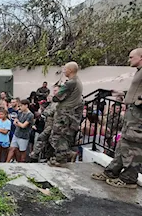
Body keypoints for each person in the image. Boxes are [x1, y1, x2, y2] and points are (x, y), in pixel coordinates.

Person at [91, 48, 142, 188]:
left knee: (132, 147)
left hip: (138, 116)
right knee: (123, 144)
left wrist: (138, 101)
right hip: (132, 114)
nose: (129, 59)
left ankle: (129, 179)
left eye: (132, 57)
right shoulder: (139, 71)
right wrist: (120, 93)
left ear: (140, 57)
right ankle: (112, 171)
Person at [48, 62, 84, 167]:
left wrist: (56, 94)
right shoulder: (77, 81)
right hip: (69, 113)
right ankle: (61, 156)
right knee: (61, 136)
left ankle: (64, 157)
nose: (63, 71)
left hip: (64, 113)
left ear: (70, 70)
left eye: (65, 69)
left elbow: (57, 97)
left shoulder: (70, 83)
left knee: (58, 137)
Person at [30, 86, 59, 162]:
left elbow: (50, 111)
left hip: (53, 126)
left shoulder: (59, 102)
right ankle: (47, 158)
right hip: (48, 125)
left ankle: (35, 156)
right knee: (48, 144)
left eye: (55, 90)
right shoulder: (53, 102)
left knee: (42, 138)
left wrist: (42, 113)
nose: (54, 92)